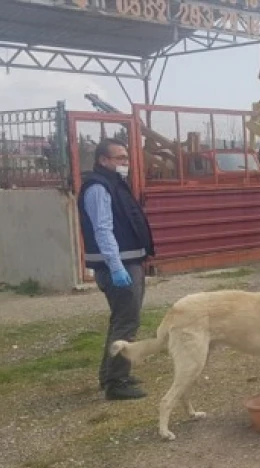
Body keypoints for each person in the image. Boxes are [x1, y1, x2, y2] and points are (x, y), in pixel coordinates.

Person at [78, 138, 156, 400]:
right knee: (126, 323)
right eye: (119, 158)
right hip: (119, 266)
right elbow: (103, 229)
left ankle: (109, 373)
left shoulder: (114, 184)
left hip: (128, 262)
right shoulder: (99, 188)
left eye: (126, 157)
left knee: (120, 321)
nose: (125, 162)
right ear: (103, 160)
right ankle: (117, 382)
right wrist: (116, 266)